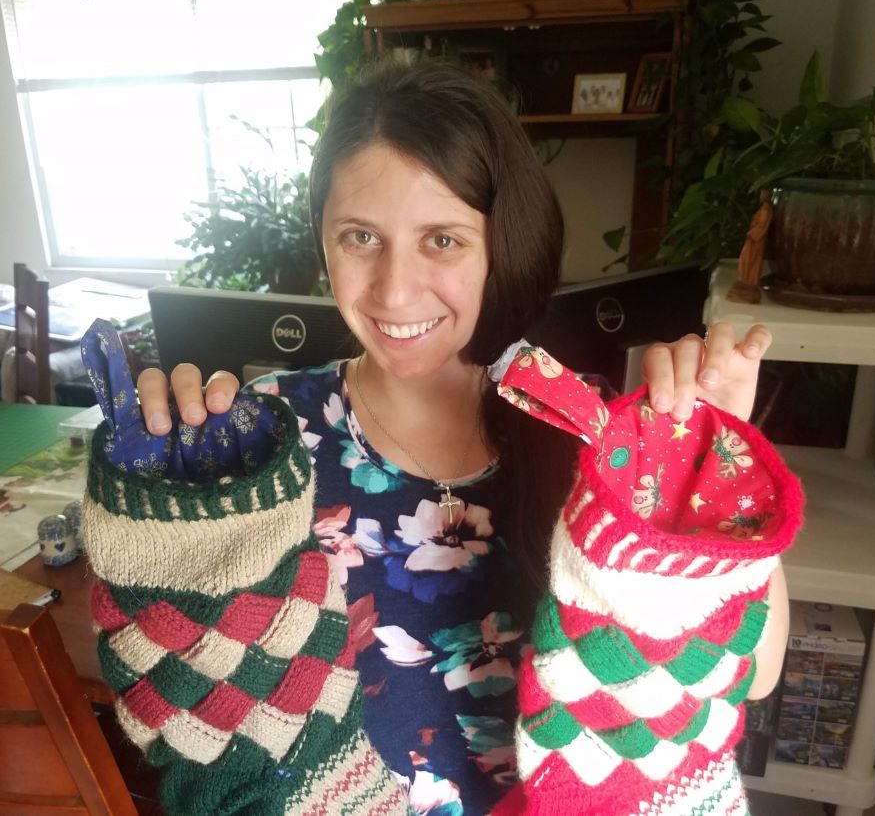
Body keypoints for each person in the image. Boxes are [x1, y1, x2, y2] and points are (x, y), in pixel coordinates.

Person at [134, 58, 784, 814]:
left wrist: (710, 467)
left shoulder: (593, 434)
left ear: (503, 245)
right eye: (359, 237)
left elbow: (753, 672)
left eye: (442, 240)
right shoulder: (265, 440)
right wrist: (165, 500)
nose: (394, 289)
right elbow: (203, 698)